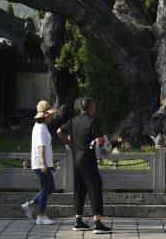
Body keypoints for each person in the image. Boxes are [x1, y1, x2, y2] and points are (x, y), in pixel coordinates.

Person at [57, 97, 110, 234]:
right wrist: (105, 140)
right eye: (94, 107)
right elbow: (99, 141)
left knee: (79, 190)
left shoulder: (73, 121)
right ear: (91, 108)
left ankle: (78, 221)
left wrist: (71, 144)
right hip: (88, 161)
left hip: (76, 161)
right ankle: (97, 223)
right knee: (95, 188)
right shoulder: (93, 121)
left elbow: (59, 131)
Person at [21, 100, 59, 225]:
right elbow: (41, 146)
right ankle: (41, 216)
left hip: (43, 163)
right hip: (41, 164)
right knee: (45, 189)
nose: (52, 117)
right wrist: (43, 163)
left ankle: (30, 205)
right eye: (50, 115)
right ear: (46, 115)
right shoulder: (41, 128)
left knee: (49, 188)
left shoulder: (41, 126)